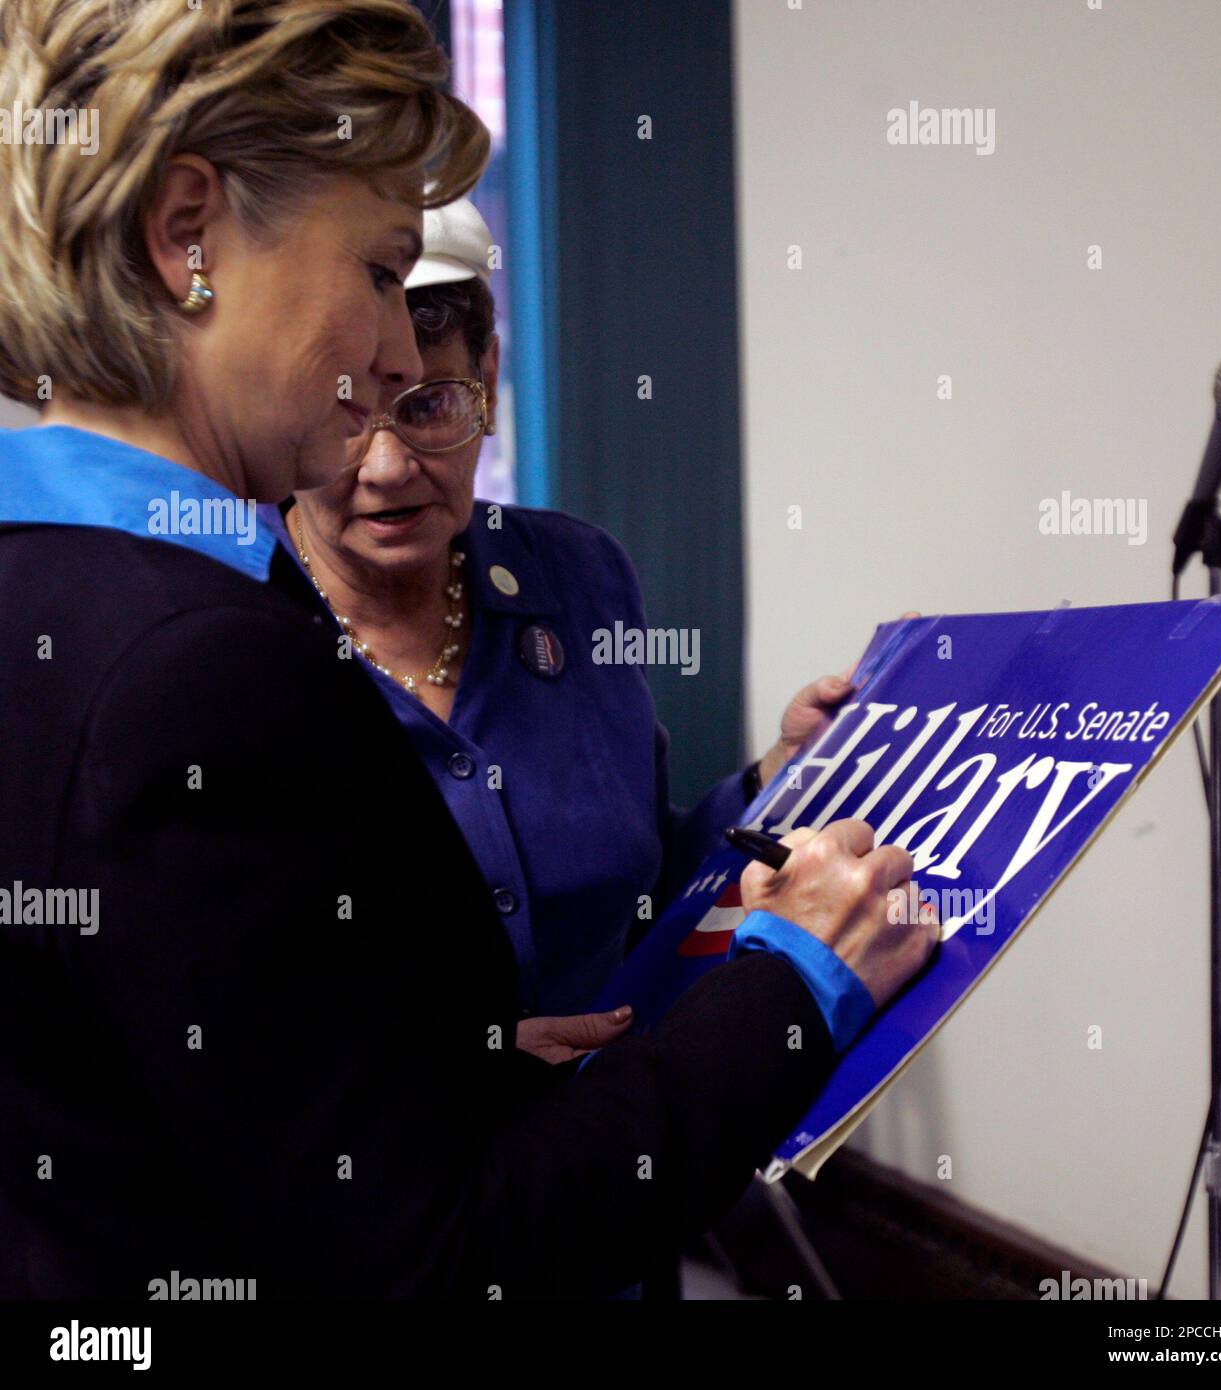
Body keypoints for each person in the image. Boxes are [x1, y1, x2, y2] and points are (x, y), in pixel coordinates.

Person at [0, 0, 937, 1299]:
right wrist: (800, 982)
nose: (390, 355)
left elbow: (193, 1092)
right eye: (378, 271)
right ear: (187, 232)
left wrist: (450, 1068)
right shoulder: (199, 665)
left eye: (432, 357)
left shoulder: (58, 585)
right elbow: (450, 1260)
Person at [281, 197, 864, 1057]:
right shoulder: (220, 630)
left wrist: (777, 776)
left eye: (432, 406)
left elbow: (645, 885)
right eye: (343, 416)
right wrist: (452, 1065)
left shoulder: (578, 578)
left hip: (610, 1132)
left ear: (486, 374)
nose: (389, 466)